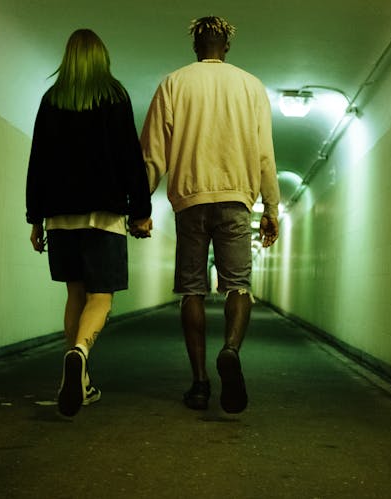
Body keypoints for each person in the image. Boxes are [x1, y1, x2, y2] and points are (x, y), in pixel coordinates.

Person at [135, 16, 280, 414]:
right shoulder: (251, 86)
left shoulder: (173, 84)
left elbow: (153, 153)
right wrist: (271, 206)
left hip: (190, 200)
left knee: (192, 290)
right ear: (226, 47)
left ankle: (199, 384)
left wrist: (139, 203)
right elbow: (264, 151)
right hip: (236, 199)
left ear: (195, 45)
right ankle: (230, 349)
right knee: (238, 285)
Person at [26, 28, 152, 417]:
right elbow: (131, 156)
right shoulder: (114, 96)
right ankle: (80, 354)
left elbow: (38, 160)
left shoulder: (52, 99)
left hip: (59, 216)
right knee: (102, 297)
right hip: (103, 212)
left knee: (75, 294)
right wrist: (141, 210)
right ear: (102, 58)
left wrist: (35, 217)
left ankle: (77, 378)